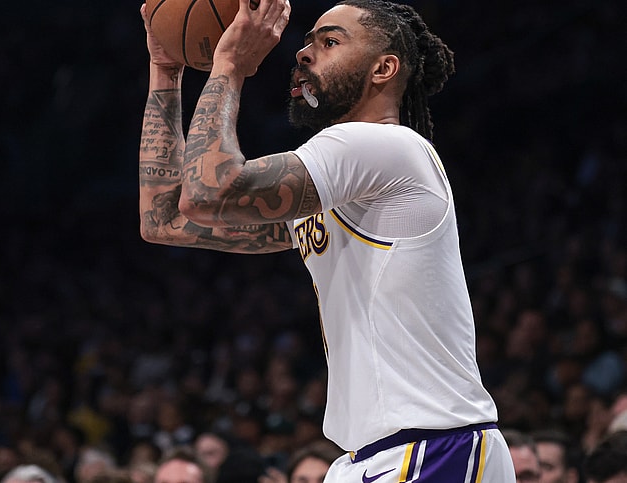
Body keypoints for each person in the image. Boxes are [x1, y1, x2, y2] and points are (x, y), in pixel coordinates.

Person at [138, 0, 514, 481]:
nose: (303, 52)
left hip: (434, 447)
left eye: (329, 41)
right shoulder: (341, 187)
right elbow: (164, 218)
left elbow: (208, 191)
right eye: (308, 40)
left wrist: (229, 65)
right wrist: (165, 67)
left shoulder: (384, 146)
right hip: (377, 454)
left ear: (384, 68)